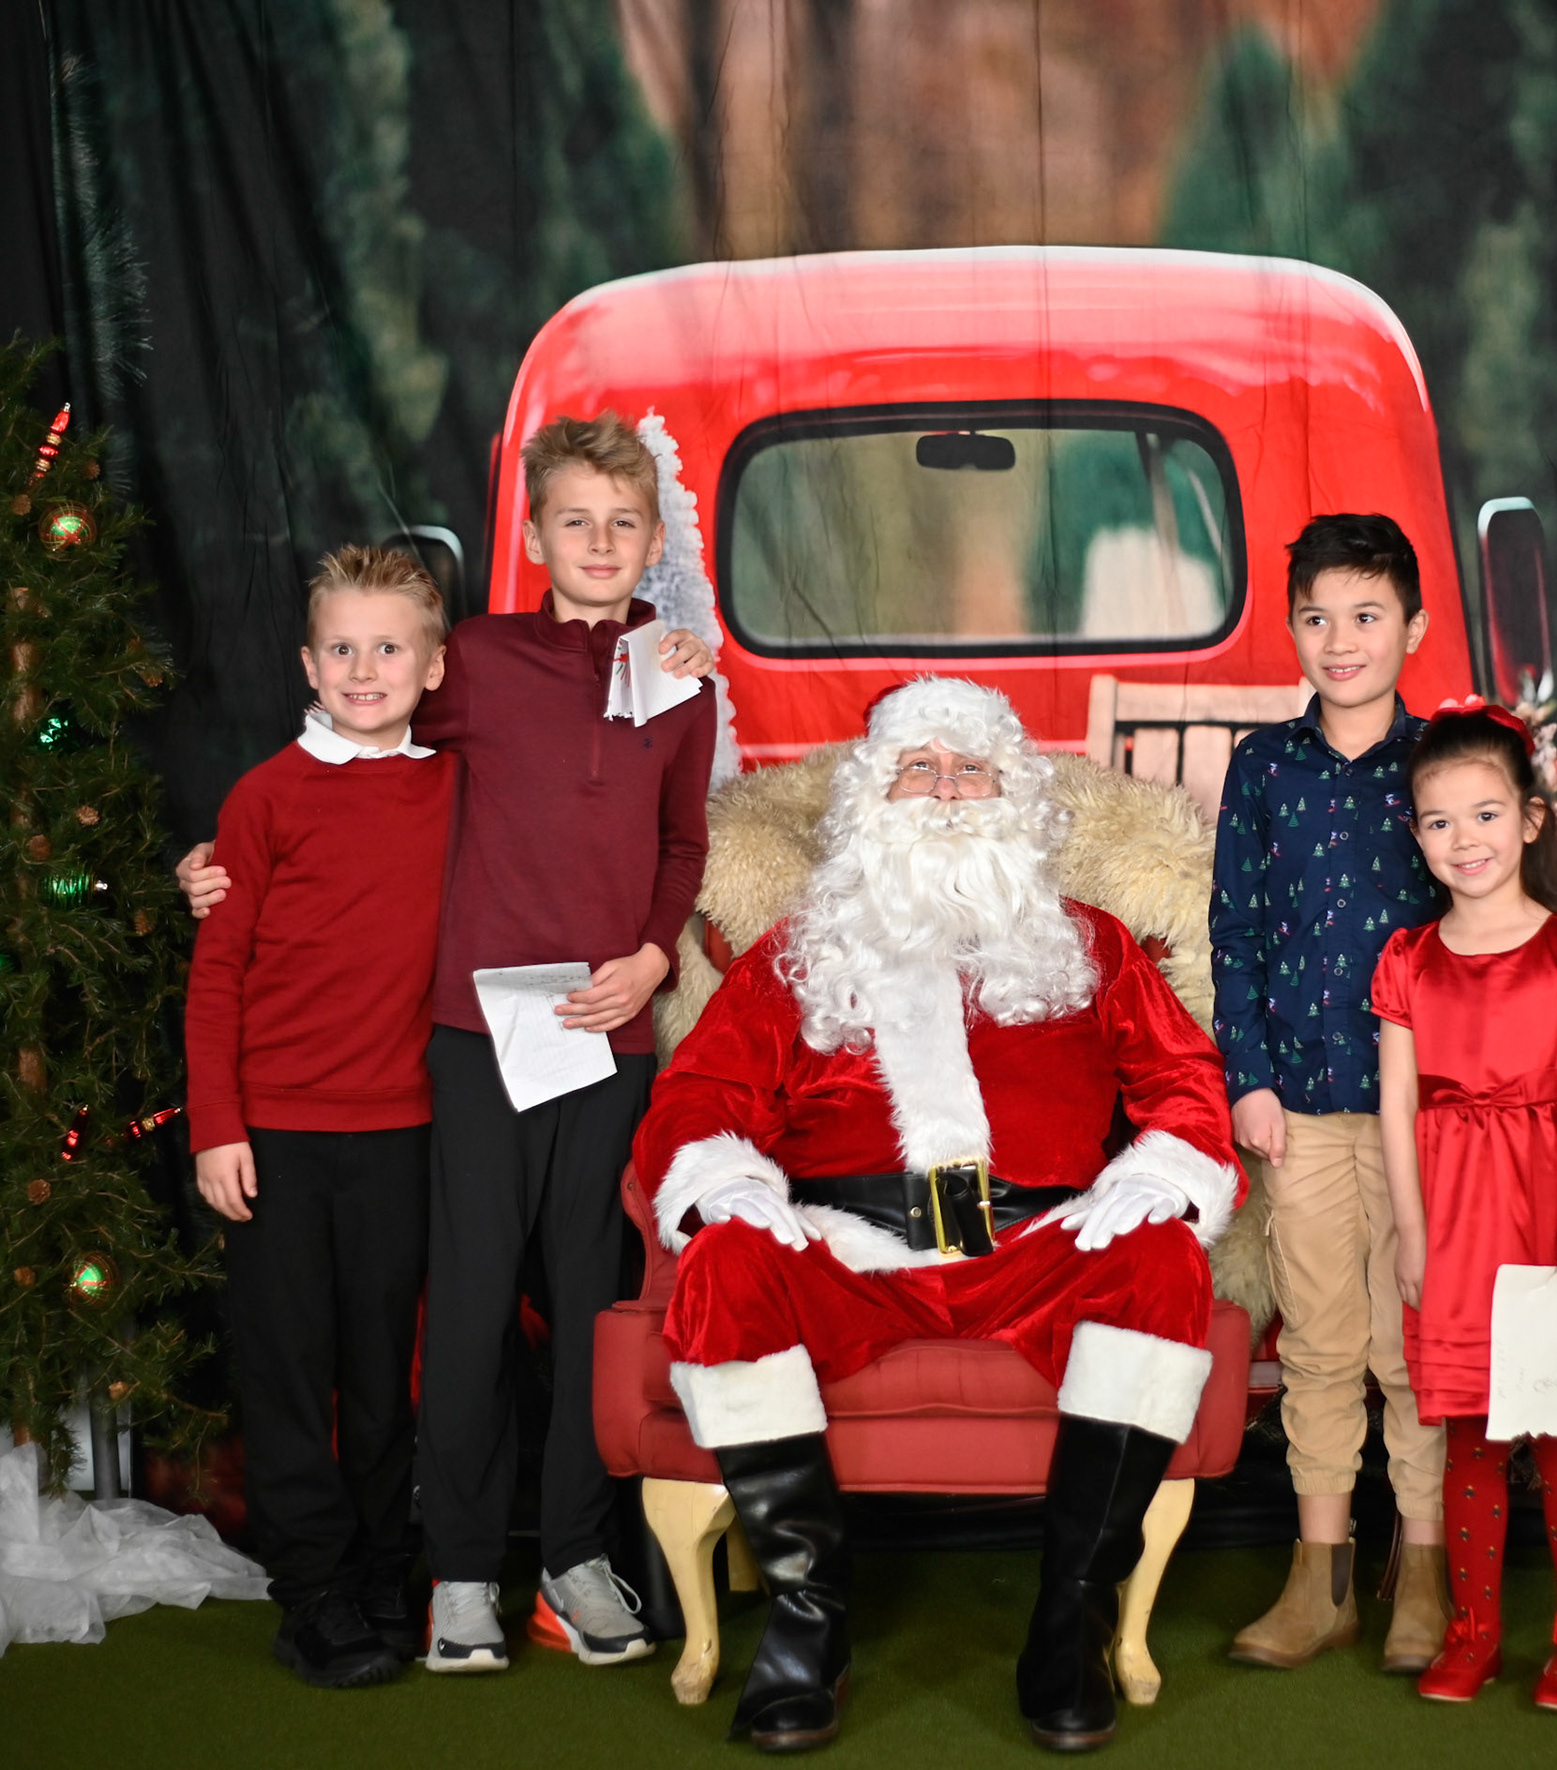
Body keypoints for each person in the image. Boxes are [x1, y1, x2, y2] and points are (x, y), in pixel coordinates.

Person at [179, 412, 718, 1672]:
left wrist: (653, 954)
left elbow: (682, 842)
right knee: (469, 1307)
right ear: (534, 535)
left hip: (608, 1038)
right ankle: (462, 1570)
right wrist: (213, 866)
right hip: (476, 1039)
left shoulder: (681, 678)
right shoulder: (471, 658)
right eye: (574, 520)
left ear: (653, 541)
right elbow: (362, 763)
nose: (598, 542)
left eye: (622, 524)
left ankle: (575, 1560)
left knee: (590, 1305)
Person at [633, 675, 1241, 1753]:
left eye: (971, 769)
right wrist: (726, 1183)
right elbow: (700, 1095)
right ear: (875, 797)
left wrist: (1162, 1173)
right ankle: (808, 1623)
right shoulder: (798, 954)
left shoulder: (1092, 945)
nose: (948, 789)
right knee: (725, 1264)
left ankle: (1070, 1619)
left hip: (1038, 1244)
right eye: (920, 768)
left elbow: (1184, 1083)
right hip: (848, 1249)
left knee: (1160, 1259)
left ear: (1015, 797)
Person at [186, 546, 452, 1687]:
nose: (364, 668)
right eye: (341, 648)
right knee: (290, 1369)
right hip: (276, 1134)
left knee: (383, 1368)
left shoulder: (457, 787)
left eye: (389, 647)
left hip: (402, 1132)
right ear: (307, 664)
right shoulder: (264, 798)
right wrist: (216, 1124)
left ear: (433, 668)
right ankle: (312, 1593)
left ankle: (385, 1571)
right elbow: (218, 973)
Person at [1209, 512, 1451, 1674]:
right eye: (1318, 618)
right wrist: (1248, 1078)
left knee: (1412, 1346)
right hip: (1299, 1104)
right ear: (1292, 628)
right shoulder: (1264, 767)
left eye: (1366, 616)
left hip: (1425, 1112)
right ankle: (1323, 1578)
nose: (1341, 640)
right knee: (1316, 1342)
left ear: (1415, 626)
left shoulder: (1446, 766)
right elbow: (1234, 933)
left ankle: (1427, 1571)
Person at [1372, 701, 1557, 1712]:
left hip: (1552, 1210)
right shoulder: (1408, 959)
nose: (1464, 839)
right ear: (1417, 835)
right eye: (1440, 822)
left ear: (1528, 820)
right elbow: (1398, 1106)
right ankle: (1475, 1632)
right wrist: (1412, 1232)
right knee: (1473, 1440)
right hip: (1456, 1222)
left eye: (1485, 815)